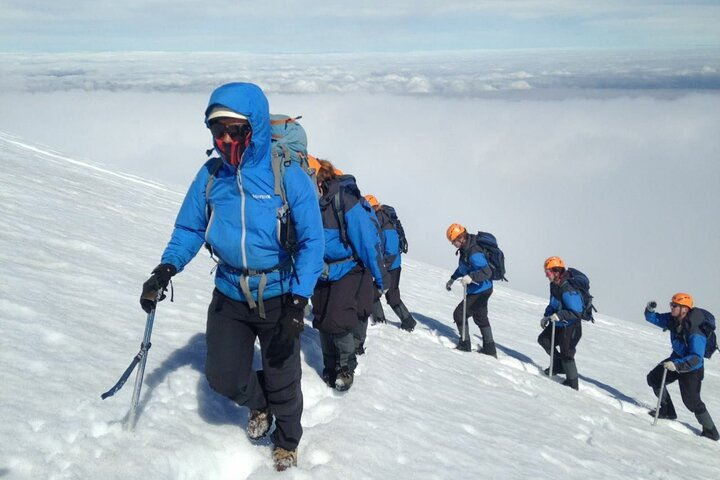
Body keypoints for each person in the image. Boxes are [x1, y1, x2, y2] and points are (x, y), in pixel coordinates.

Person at [139, 82, 324, 471]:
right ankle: (260, 404)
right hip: (229, 291)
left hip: (278, 292)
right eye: (217, 130)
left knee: (283, 378)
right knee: (223, 376)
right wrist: (165, 268)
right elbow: (190, 229)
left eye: (234, 130)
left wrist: (298, 300)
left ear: (253, 127)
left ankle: (287, 442)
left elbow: (311, 242)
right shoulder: (211, 175)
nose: (225, 138)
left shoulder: (286, 176)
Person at [311, 159, 386, 392]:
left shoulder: (345, 201)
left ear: (320, 178)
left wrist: (382, 278)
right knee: (322, 317)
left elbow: (366, 240)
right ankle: (329, 365)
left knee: (339, 319)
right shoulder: (309, 202)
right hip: (320, 269)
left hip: (347, 268)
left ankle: (345, 367)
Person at [645, 293, 719, 441]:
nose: (671, 307)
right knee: (654, 379)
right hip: (676, 360)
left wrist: (677, 365)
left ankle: (711, 431)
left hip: (691, 368)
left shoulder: (695, 330)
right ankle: (667, 411)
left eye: (675, 305)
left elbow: (696, 358)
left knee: (691, 401)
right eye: (671, 304)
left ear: (685, 309)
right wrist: (649, 310)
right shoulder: (673, 319)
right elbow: (656, 318)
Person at [364, 194, 416, 333]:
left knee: (384, 295)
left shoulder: (384, 222)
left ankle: (406, 322)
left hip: (391, 266)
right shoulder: (379, 220)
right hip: (389, 265)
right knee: (380, 293)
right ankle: (390, 320)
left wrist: (382, 266)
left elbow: (392, 249)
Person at [444, 223, 497, 357]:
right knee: (480, 317)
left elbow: (487, 272)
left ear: (460, 238)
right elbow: (463, 268)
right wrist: (453, 278)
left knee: (459, 314)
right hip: (480, 289)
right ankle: (490, 350)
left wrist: (471, 277)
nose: (453, 244)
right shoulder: (465, 249)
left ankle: (464, 345)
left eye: (453, 241)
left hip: (481, 290)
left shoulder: (473, 252)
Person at [537, 256, 583, 390]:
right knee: (544, 340)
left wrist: (559, 315)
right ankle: (558, 365)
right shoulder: (554, 285)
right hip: (558, 322)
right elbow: (553, 303)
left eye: (548, 272)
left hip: (571, 326)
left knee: (567, 354)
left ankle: (572, 384)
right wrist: (547, 316)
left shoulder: (568, 289)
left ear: (556, 271)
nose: (546, 276)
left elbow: (576, 313)